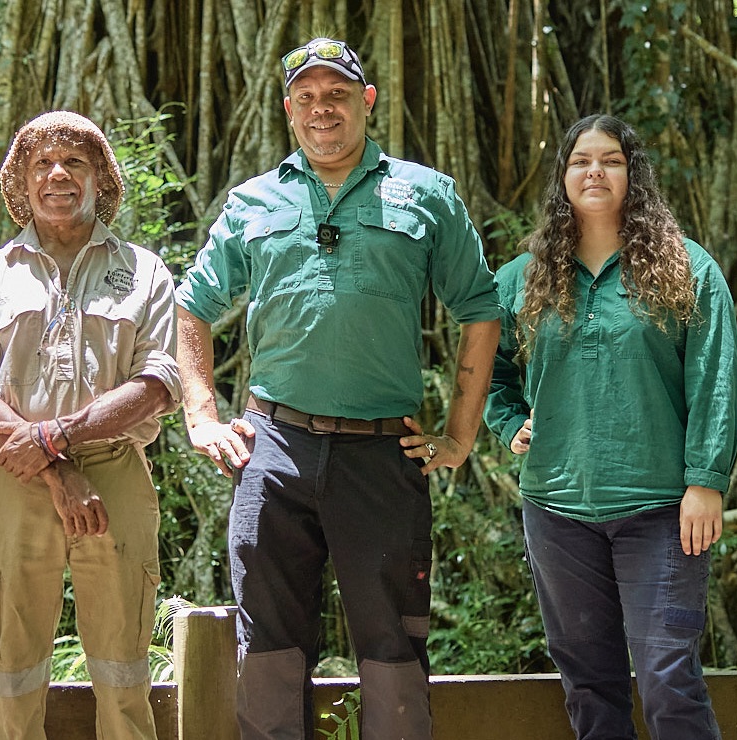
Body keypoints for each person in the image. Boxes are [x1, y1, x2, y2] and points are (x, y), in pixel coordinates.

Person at [175, 37, 504, 740]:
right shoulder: (253, 200)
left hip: (382, 456)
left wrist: (462, 433)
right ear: (289, 109)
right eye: (308, 97)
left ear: (367, 101)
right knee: (268, 652)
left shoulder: (424, 194)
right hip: (274, 449)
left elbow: (479, 307)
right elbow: (193, 305)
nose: (323, 109)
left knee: (393, 654)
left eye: (338, 95)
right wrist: (201, 414)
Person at [485, 114, 737, 740]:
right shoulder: (522, 278)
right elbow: (486, 372)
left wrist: (705, 480)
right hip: (557, 508)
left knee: (666, 677)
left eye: (611, 160)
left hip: (661, 510)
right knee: (589, 682)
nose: (594, 170)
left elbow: (715, 378)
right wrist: (510, 422)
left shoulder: (687, 268)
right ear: (563, 177)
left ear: (634, 175)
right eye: (580, 161)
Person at [0, 111, 180, 740]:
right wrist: (54, 468)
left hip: (116, 480)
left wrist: (57, 437)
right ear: (19, 181)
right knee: (12, 676)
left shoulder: (145, 272)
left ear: (101, 177)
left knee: (125, 674)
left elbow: (156, 385)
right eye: (42, 163)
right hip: (14, 479)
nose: (58, 175)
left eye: (75, 162)